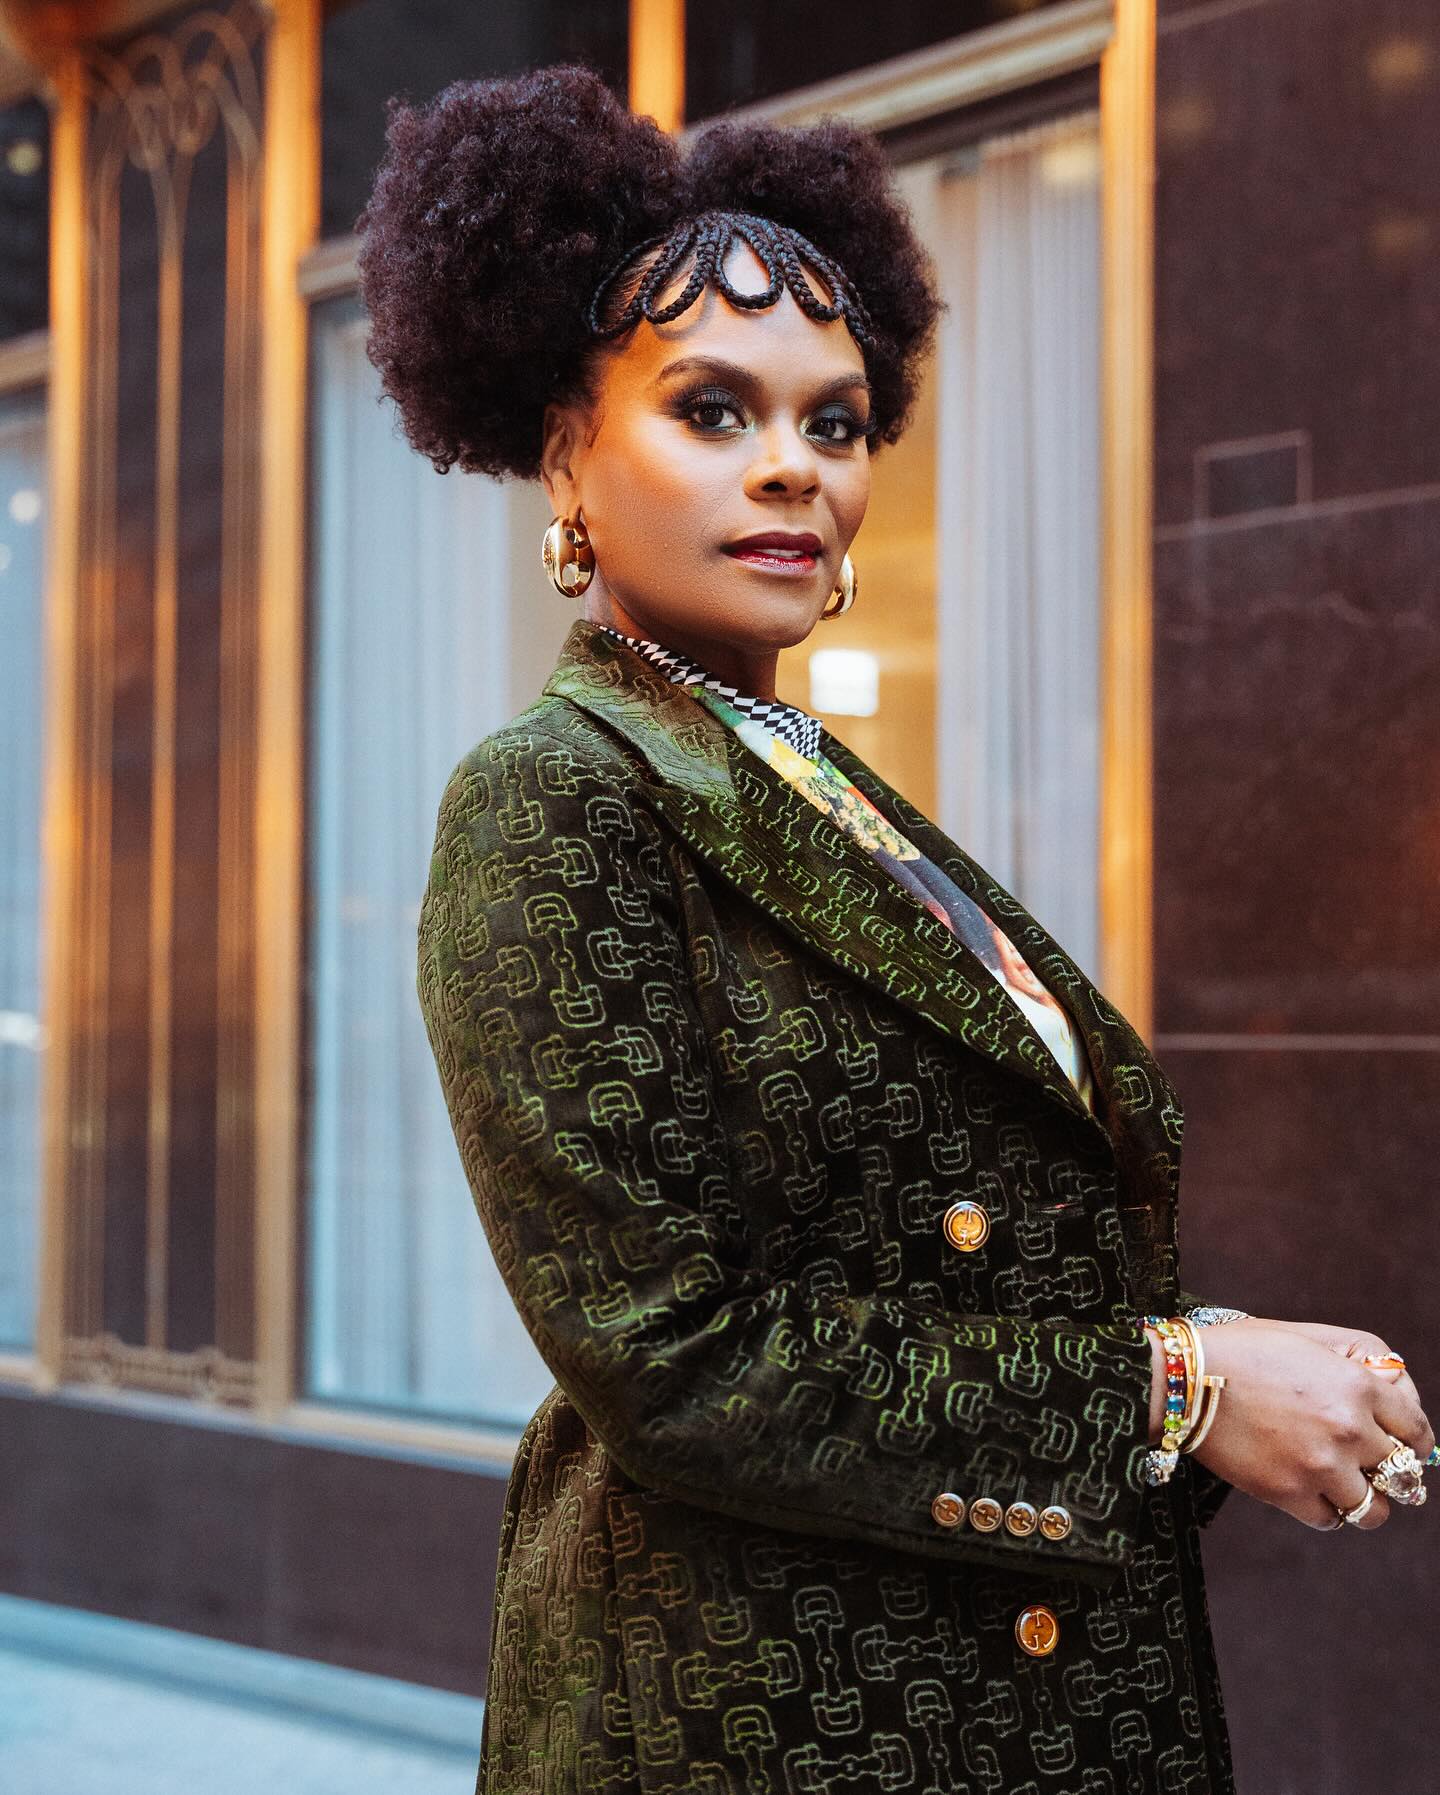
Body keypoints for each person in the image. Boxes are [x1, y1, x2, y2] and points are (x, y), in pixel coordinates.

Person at [357, 64, 1436, 1795]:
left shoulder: (814, 783)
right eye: (712, 410)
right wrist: (1172, 1395)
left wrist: (1233, 1358)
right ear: (564, 442)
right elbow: (676, 1360)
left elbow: (960, 1251)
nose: (790, 468)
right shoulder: (553, 798)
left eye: (835, 421)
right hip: (762, 1718)